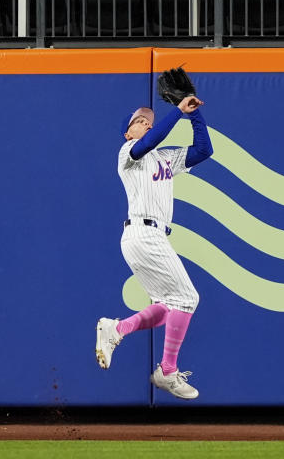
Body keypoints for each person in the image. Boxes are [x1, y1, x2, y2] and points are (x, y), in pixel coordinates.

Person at [95, 94, 213, 399]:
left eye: (149, 120)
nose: (146, 124)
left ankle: (115, 330)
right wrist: (176, 113)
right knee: (187, 298)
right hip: (143, 233)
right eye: (139, 121)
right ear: (128, 133)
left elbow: (204, 150)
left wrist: (194, 115)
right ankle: (168, 370)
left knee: (166, 306)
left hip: (147, 237)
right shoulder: (128, 153)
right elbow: (149, 142)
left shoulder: (166, 158)